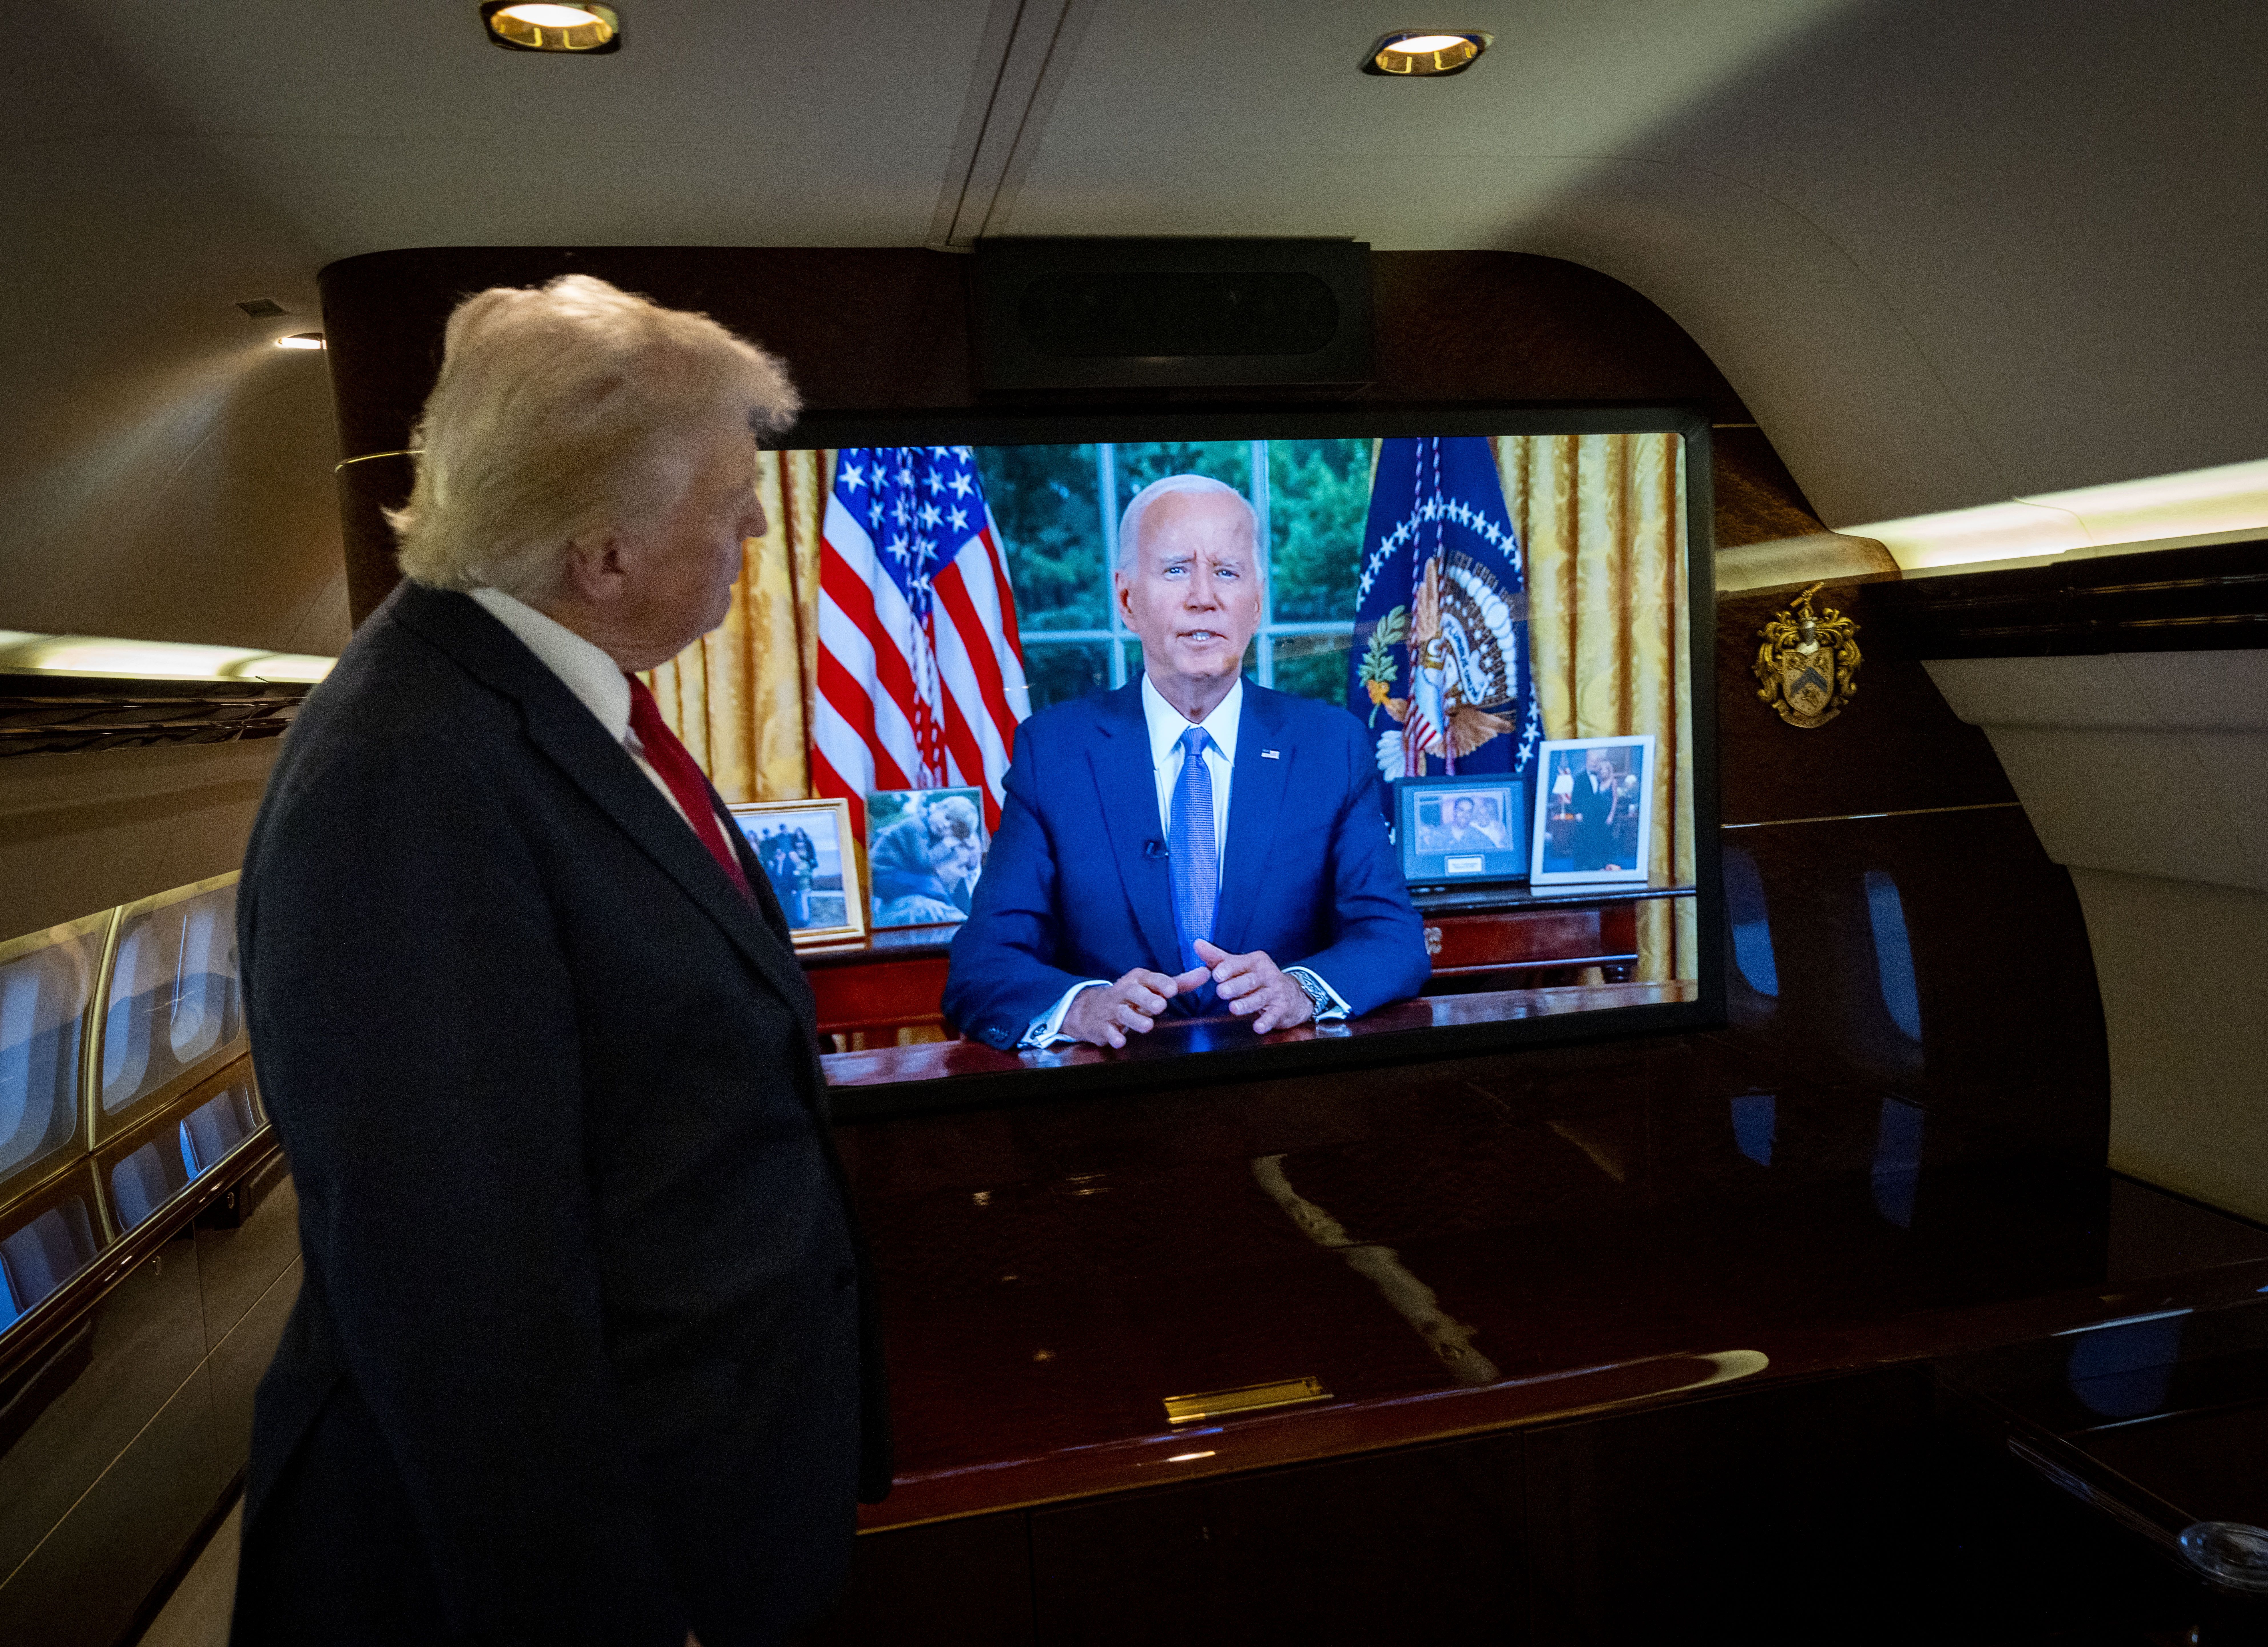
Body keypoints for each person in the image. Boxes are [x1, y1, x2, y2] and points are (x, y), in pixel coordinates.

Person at [233, 274, 887, 1647]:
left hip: (707, 1484)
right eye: (727, 502)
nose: (758, 527)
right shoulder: (407, 774)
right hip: (592, 1566)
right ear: (603, 552)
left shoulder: (544, 707)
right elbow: (462, 1293)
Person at [944, 475, 1428, 1051]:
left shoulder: (1330, 747)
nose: (1204, 595)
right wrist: (1083, 1006)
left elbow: (1394, 939)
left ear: (1256, 602)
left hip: (1287, 1091)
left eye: (1227, 572)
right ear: (1126, 599)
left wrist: (1302, 990)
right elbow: (983, 964)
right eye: (1176, 569)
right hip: (1116, 1097)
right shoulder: (1053, 754)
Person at [868, 793, 980, 926]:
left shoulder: (928, 831)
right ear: (938, 808)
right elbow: (923, 864)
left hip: (895, 876)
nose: (946, 826)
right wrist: (946, 844)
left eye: (953, 829)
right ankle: (951, 912)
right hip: (881, 875)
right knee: (932, 885)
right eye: (947, 817)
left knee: (932, 885)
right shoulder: (915, 826)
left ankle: (951, 912)